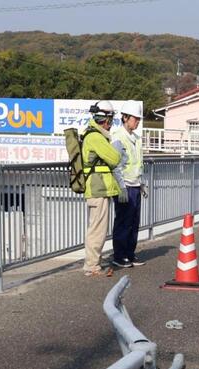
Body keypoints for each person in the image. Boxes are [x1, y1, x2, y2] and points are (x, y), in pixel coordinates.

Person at [82, 101, 121, 276]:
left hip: (99, 187)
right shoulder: (95, 137)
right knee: (97, 229)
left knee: (97, 227)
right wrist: (117, 150)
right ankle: (91, 265)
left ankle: (93, 264)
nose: (110, 123)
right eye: (109, 119)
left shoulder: (95, 135)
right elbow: (114, 158)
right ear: (104, 119)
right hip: (97, 188)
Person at [110, 100, 145, 268]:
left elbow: (138, 163)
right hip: (124, 186)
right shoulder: (118, 137)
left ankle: (130, 253)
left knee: (134, 221)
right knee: (123, 221)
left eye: (138, 119)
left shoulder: (136, 138)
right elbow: (115, 164)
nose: (137, 121)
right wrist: (121, 186)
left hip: (135, 184)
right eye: (134, 118)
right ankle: (119, 255)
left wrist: (141, 183)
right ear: (125, 117)